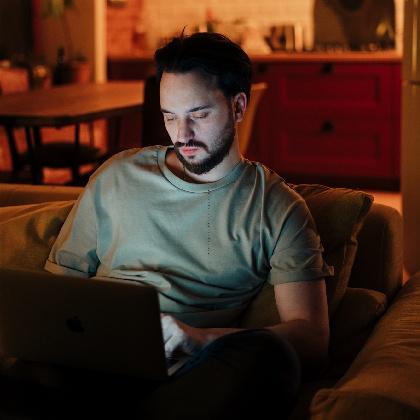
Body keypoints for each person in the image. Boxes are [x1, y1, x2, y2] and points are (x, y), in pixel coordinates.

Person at [44, 32, 333, 419]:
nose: (182, 135)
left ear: (238, 106)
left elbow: (312, 338)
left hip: (190, 370)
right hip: (93, 360)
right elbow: (55, 288)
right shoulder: (116, 176)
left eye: (198, 114)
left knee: (273, 357)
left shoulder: (278, 209)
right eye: (169, 116)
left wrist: (203, 340)